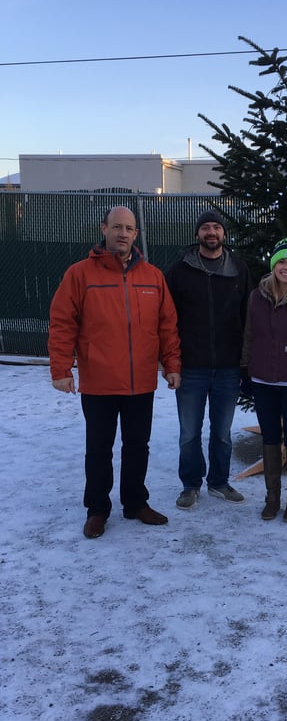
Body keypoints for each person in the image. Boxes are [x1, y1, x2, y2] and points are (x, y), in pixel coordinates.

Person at [48, 206, 182, 539]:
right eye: (117, 227)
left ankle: (135, 502)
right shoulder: (79, 275)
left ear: (136, 234)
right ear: (104, 228)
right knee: (99, 449)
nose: (123, 233)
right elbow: (62, 324)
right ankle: (97, 509)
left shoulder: (153, 277)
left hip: (140, 383)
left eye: (130, 228)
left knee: (138, 446)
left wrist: (172, 365)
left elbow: (167, 326)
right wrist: (61, 369)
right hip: (99, 381)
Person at [166, 209, 252, 510]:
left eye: (216, 227)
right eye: (206, 228)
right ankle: (190, 485)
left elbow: (247, 319)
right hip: (191, 367)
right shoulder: (179, 271)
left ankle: (218, 482)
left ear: (224, 234)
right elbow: (168, 320)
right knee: (189, 433)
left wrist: (245, 363)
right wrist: (171, 362)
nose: (211, 232)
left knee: (223, 432)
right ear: (197, 234)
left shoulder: (239, 269)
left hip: (228, 368)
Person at [241, 239, 287, 522]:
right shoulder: (256, 297)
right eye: (282, 262)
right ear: (274, 266)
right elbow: (249, 334)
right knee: (270, 437)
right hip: (262, 379)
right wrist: (245, 369)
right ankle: (271, 498)